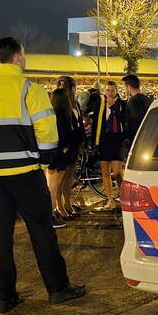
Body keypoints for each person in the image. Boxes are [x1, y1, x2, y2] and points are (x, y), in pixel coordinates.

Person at [0, 37, 85, 314]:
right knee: (41, 231)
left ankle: (5, 297)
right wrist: (45, 160)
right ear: (17, 57)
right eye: (23, 54)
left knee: (0, 236)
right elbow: (47, 132)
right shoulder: (30, 89)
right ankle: (57, 289)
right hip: (26, 173)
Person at [47, 87, 84, 225]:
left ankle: (55, 211)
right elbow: (64, 135)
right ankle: (51, 215)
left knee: (54, 186)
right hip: (60, 156)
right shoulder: (61, 115)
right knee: (53, 187)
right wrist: (65, 148)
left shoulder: (54, 114)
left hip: (56, 155)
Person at [92, 80, 126, 210]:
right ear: (104, 91)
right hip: (103, 140)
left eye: (112, 90)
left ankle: (123, 197)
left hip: (117, 140)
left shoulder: (122, 104)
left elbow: (124, 120)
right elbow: (96, 123)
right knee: (105, 173)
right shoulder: (99, 104)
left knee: (117, 172)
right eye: (107, 90)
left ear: (116, 91)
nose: (110, 93)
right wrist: (94, 143)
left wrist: (114, 108)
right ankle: (110, 199)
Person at [55, 76, 84, 217]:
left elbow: (78, 122)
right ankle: (59, 206)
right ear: (71, 88)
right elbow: (61, 127)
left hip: (74, 144)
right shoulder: (60, 104)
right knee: (61, 178)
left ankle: (67, 202)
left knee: (69, 177)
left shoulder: (75, 104)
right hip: (65, 146)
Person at [122, 74, 152, 159]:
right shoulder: (147, 100)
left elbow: (135, 121)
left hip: (136, 141)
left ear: (129, 87)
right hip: (148, 139)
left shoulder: (132, 102)